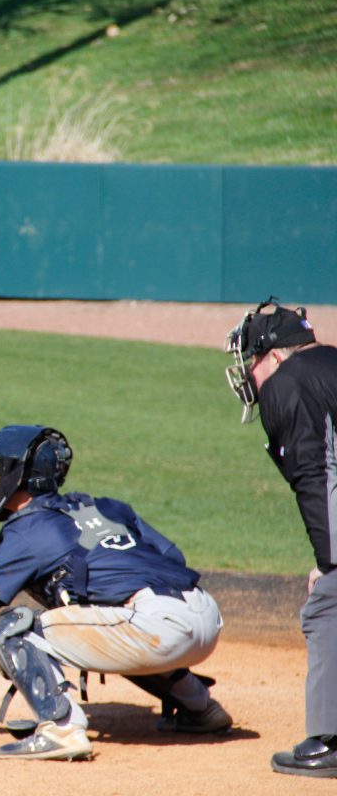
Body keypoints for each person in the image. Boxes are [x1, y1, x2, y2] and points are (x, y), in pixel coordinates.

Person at [0, 425, 230, 760]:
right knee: (113, 616)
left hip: (158, 630)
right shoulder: (104, 507)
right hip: (205, 615)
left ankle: (62, 729)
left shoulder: (28, 532)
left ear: (19, 474)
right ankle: (199, 707)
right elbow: (173, 559)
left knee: (15, 628)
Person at [224, 297, 337, 778]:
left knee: (326, 606)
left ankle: (329, 742)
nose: (247, 372)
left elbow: (316, 475)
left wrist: (330, 563)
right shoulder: (329, 363)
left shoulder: (286, 385)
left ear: (273, 354)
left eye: (249, 359)